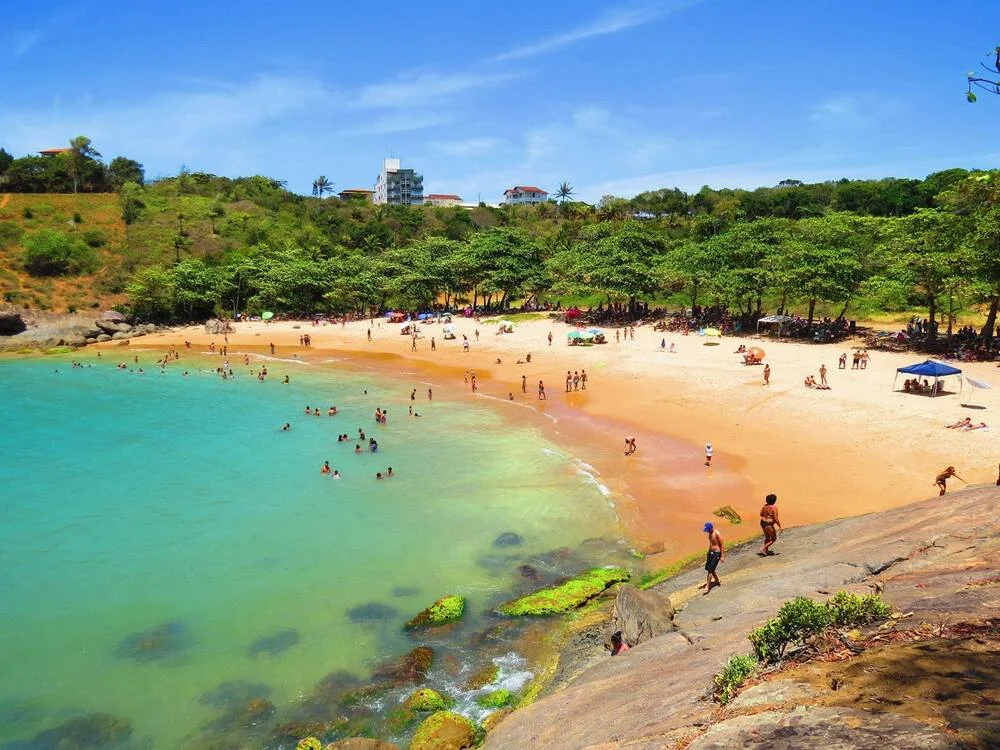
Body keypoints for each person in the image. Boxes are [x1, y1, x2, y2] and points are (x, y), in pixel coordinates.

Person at [703, 522, 724, 593]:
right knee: (710, 568)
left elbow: (722, 545)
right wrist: (708, 553)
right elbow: (711, 544)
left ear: (711, 528)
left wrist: (722, 556)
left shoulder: (716, 533)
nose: (707, 531)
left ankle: (707, 586)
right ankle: (717, 580)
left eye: (708, 530)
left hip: (716, 553)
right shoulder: (709, 534)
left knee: (710, 570)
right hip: (711, 553)